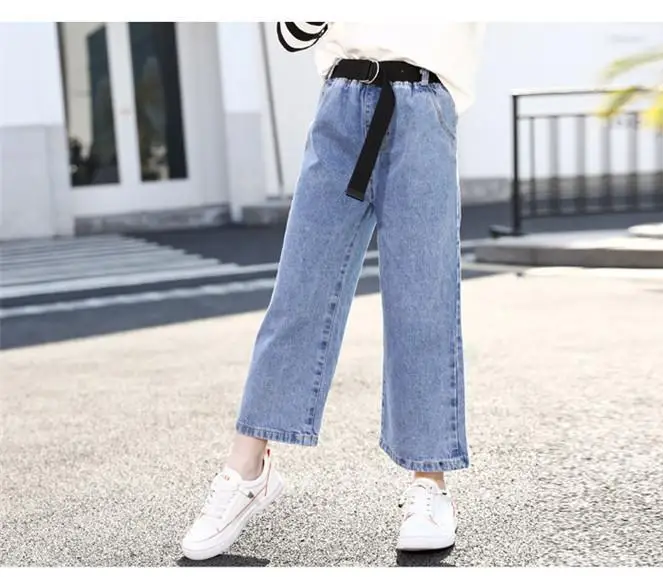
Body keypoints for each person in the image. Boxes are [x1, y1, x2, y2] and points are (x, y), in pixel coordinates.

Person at [182, 22, 486, 561]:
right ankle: (247, 469)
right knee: (299, 293)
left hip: (423, 104)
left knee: (422, 302)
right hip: (342, 102)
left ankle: (429, 484)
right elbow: (292, 31)